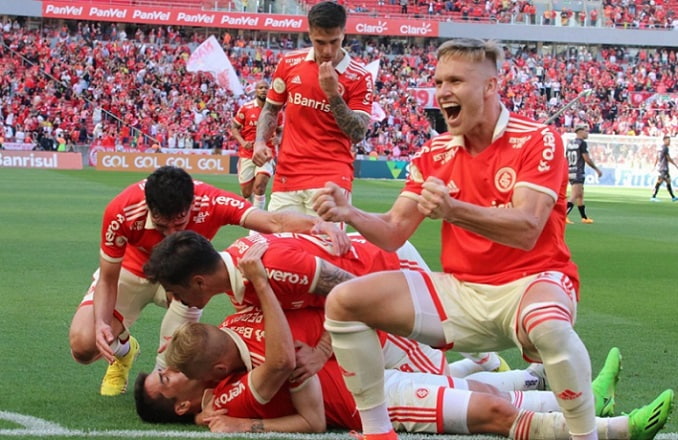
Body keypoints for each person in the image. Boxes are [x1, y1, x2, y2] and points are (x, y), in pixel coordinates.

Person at [311, 38, 634, 440]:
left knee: (548, 325)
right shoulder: (436, 151)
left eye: (456, 81)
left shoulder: (538, 139)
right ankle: (377, 433)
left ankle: (583, 437)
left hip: (532, 283)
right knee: (345, 302)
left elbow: (528, 229)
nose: (443, 91)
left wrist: (454, 210)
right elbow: (394, 233)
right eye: (439, 81)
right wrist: (351, 213)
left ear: (490, 87)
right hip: (461, 291)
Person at [135, 300, 672, 440]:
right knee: (485, 407)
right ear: (180, 403)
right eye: (164, 378)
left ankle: (582, 398)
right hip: (371, 402)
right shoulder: (223, 402)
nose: (167, 367)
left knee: (469, 387)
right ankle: (613, 429)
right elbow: (291, 384)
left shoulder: (219, 369)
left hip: (366, 368)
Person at [68, 165, 349, 397]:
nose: (171, 233)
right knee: (83, 346)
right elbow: (108, 277)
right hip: (133, 271)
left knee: (177, 354)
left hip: (185, 281)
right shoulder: (122, 210)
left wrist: (317, 225)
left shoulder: (211, 200)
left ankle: (166, 393)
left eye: (180, 224)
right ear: (148, 206)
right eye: (162, 224)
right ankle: (126, 351)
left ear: (192, 204)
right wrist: (103, 323)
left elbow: (272, 221)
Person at [144, 229, 511, 378]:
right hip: (369, 273)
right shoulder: (240, 271)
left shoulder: (272, 269)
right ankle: (487, 362)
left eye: (175, 290)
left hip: (388, 269)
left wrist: (321, 352)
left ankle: (520, 350)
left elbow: (350, 293)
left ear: (198, 281)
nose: (175, 300)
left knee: (444, 352)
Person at [252, 1, 373, 220]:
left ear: (344, 33)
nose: (327, 51)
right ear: (309, 34)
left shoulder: (360, 76)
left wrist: (332, 94)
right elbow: (271, 109)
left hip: (331, 178)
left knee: (325, 251)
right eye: (320, 42)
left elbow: (357, 133)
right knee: (282, 250)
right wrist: (260, 141)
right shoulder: (289, 63)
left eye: (334, 42)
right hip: (288, 175)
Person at [232, 80, 283, 210]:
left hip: (267, 153)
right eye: (260, 87)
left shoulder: (277, 111)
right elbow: (234, 127)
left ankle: (257, 218)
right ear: (255, 90)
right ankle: (249, 207)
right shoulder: (246, 108)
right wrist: (243, 142)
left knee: (260, 186)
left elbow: (281, 130)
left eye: (266, 87)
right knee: (246, 192)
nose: (263, 90)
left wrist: (278, 138)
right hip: (247, 154)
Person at [565, 124, 602, 224]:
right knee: (574, 195)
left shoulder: (570, 143)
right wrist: (596, 169)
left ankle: (584, 218)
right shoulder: (582, 143)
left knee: (580, 195)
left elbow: (566, 159)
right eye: (586, 131)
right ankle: (563, 216)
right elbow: (586, 158)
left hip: (570, 170)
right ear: (580, 132)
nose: (587, 133)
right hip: (578, 171)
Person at [649, 135, 678, 202]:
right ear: (664, 140)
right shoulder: (665, 148)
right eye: (668, 140)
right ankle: (653, 196)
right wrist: (674, 164)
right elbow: (668, 158)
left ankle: (673, 197)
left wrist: (655, 165)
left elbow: (657, 157)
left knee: (668, 181)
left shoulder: (660, 148)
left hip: (661, 167)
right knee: (660, 181)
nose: (669, 142)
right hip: (663, 168)